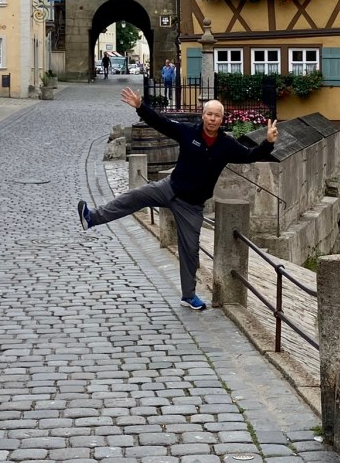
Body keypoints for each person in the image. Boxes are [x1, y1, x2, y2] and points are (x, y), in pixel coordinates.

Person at [77, 87, 278, 311]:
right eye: (209, 114)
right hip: (169, 188)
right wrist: (141, 107)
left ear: (222, 119)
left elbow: (249, 157)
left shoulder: (226, 146)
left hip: (191, 207)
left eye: (217, 116)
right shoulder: (188, 132)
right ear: (203, 115)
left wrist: (268, 143)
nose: (212, 119)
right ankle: (92, 218)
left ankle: (189, 296)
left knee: (190, 252)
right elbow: (161, 123)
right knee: (133, 197)